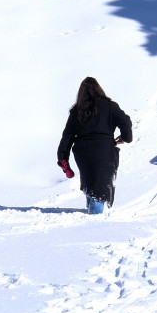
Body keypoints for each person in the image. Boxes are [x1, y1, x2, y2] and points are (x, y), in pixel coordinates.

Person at [57, 77, 133, 215]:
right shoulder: (110, 106)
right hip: (103, 150)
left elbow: (67, 135)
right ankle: (95, 221)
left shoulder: (76, 110)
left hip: (82, 151)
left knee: (90, 181)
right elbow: (125, 122)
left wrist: (63, 157)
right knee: (99, 186)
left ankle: (92, 213)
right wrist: (126, 137)